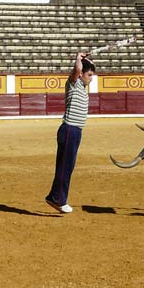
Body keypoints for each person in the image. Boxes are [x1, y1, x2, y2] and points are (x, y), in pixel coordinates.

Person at [45, 52, 95, 214]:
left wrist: (87, 61)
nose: (91, 78)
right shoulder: (73, 83)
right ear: (80, 74)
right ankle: (57, 199)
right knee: (65, 166)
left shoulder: (81, 87)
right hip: (69, 130)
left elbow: (81, 69)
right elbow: (76, 69)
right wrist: (78, 58)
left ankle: (56, 196)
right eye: (89, 75)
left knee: (67, 166)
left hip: (75, 131)